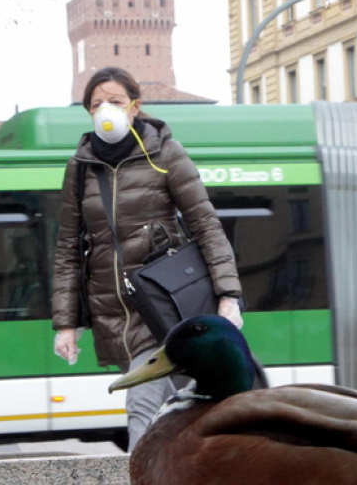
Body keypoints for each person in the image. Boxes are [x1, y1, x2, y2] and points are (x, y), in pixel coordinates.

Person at [51, 67, 244, 451]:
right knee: (181, 412)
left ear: (135, 107)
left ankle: (142, 472)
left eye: (116, 101)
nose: (106, 110)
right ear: (88, 112)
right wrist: (66, 324)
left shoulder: (165, 153)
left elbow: (205, 225)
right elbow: (68, 246)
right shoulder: (81, 166)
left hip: (163, 301)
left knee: (142, 408)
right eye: (97, 104)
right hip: (112, 310)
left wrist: (228, 295)